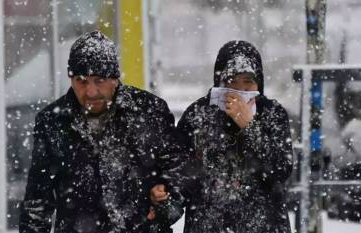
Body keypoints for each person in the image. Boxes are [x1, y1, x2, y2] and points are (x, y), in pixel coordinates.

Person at [19, 31, 183, 233]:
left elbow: (179, 178)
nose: (91, 92)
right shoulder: (52, 121)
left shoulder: (150, 112)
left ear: (115, 78)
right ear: (71, 79)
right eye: (82, 80)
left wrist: (164, 205)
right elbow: (37, 203)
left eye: (99, 80)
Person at [176, 40, 293, 233]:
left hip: (263, 225)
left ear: (259, 83)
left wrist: (250, 127)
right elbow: (180, 174)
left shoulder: (272, 113)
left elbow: (281, 169)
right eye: (232, 82)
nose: (240, 91)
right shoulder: (198, 114)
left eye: (248, 82)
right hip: (208, 225)